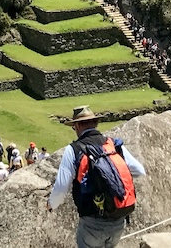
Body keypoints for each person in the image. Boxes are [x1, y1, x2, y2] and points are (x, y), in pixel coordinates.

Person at [48, 106, 146, 248]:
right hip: (119, 218)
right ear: (95, 123)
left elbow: (61, 188)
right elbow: (139, 170)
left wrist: (51, 204)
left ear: (78, 125)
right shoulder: (112, 144)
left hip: (92, 223)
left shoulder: (74, 150)